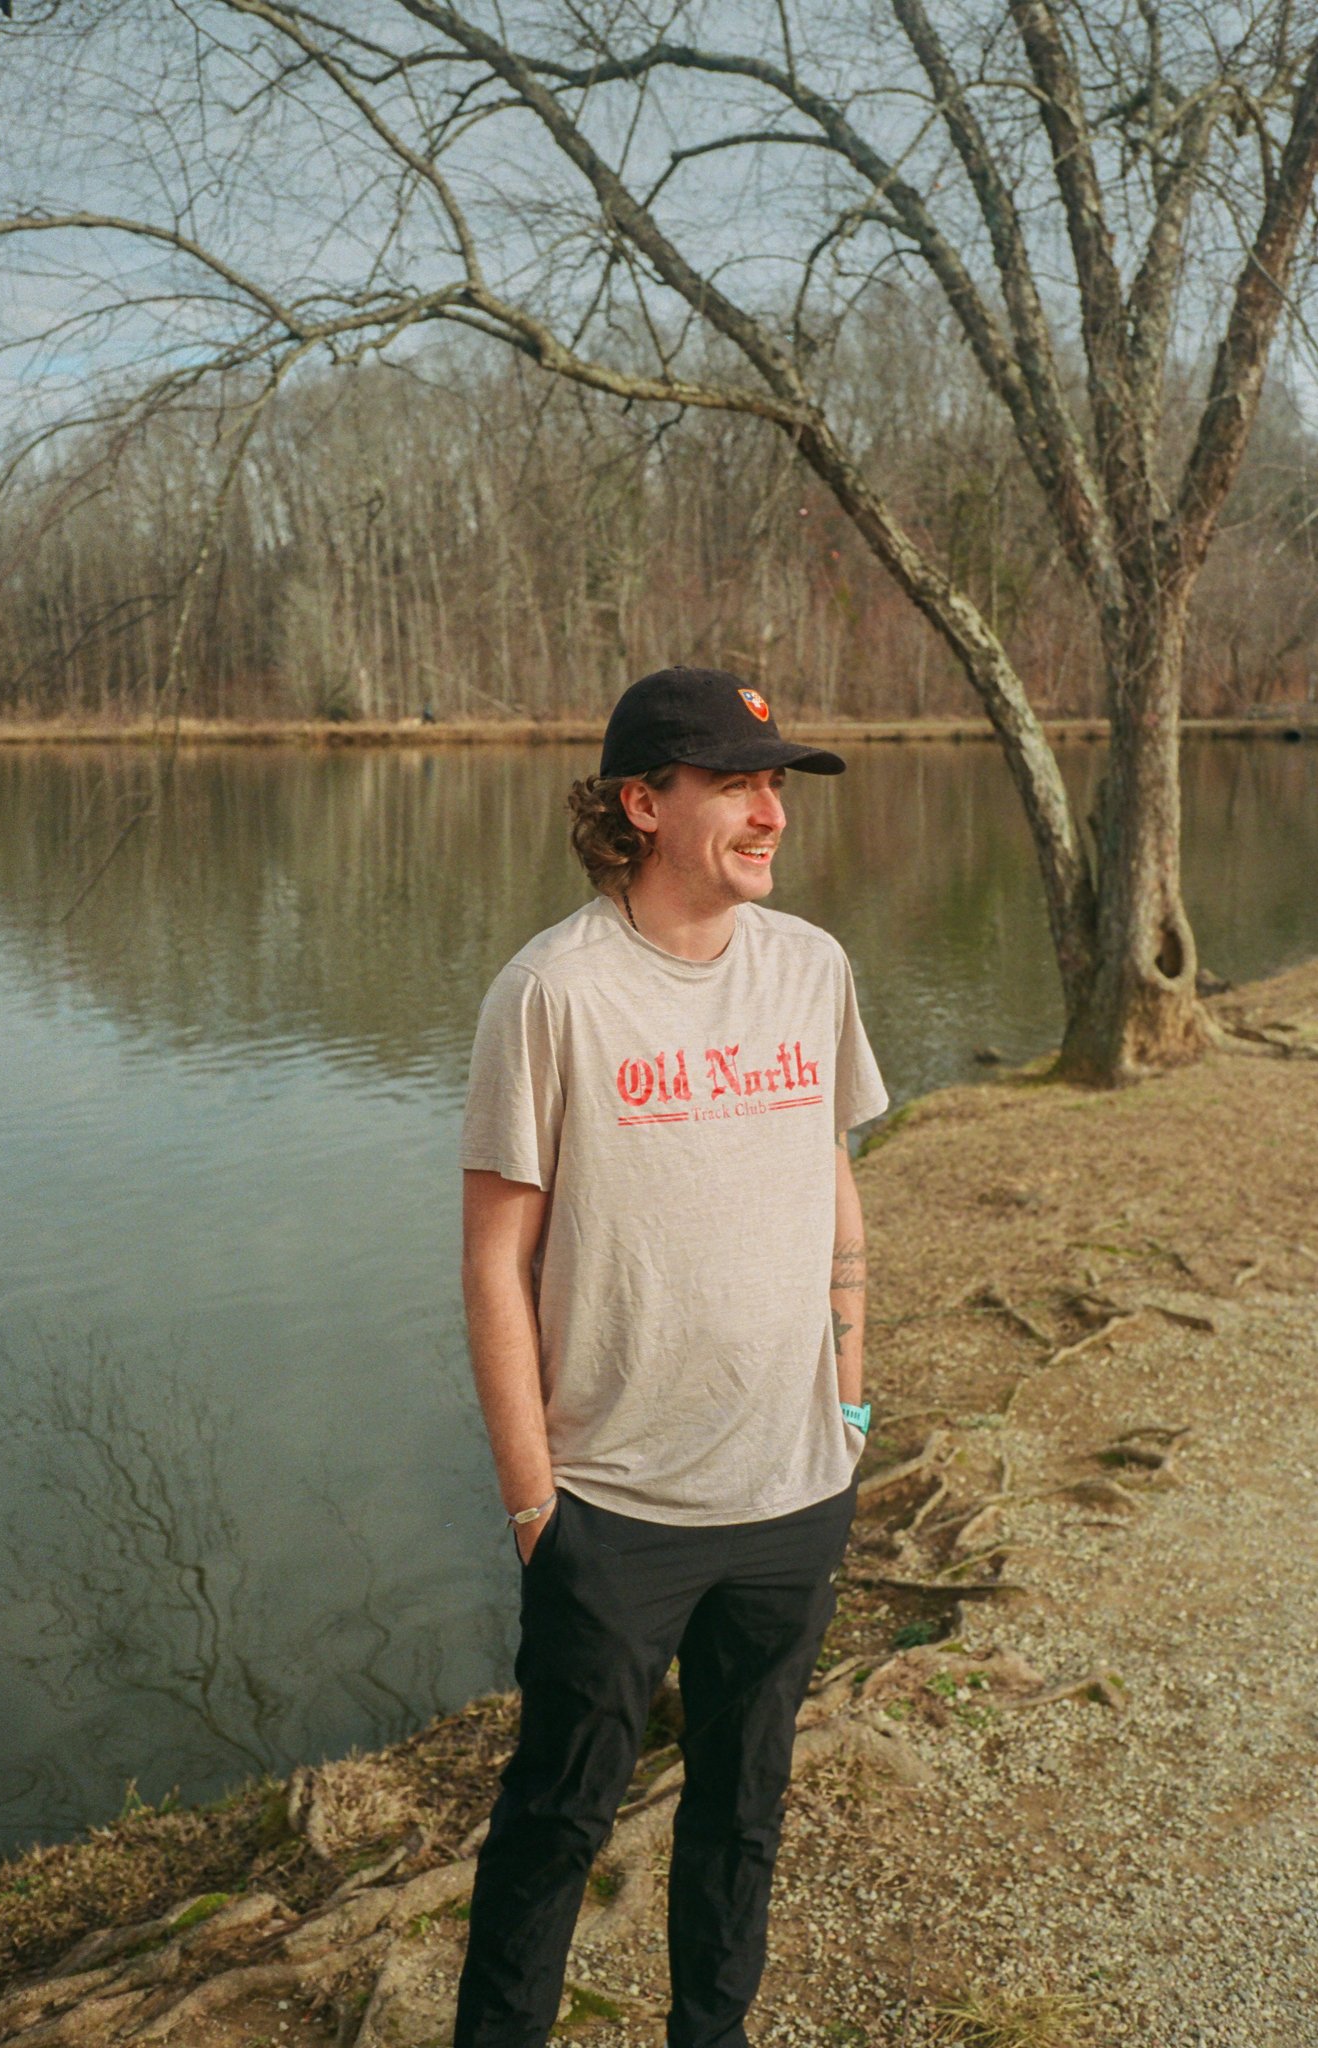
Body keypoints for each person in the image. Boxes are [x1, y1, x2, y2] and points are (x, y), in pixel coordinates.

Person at [455, 665, 889, 2048]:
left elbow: (829, 1180)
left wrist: (851, 1403)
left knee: (743, 1812)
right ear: (641, 805)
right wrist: (537, 1505)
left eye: (777, 785)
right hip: (616, 1515)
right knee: (553, 1826)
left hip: (791, 1499)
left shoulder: (809, 967)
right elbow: (491, 1262)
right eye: (739, 784)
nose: (771, 813)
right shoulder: (553, 992)